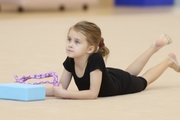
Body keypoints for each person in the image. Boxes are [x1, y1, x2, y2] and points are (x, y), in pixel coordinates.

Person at [46, 21, 180, 99]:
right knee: (129, 74)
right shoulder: (71, 59)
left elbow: (93, 93)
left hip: (119, 84)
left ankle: (168, 61)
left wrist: (66, 94)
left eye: (76, 42)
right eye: (69, 39)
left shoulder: (95, 59)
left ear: (90, 49)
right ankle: (154, 47)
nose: (70, 44)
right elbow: (59, 89)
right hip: (111, 76)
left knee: (143, 80)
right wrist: (35, 90)